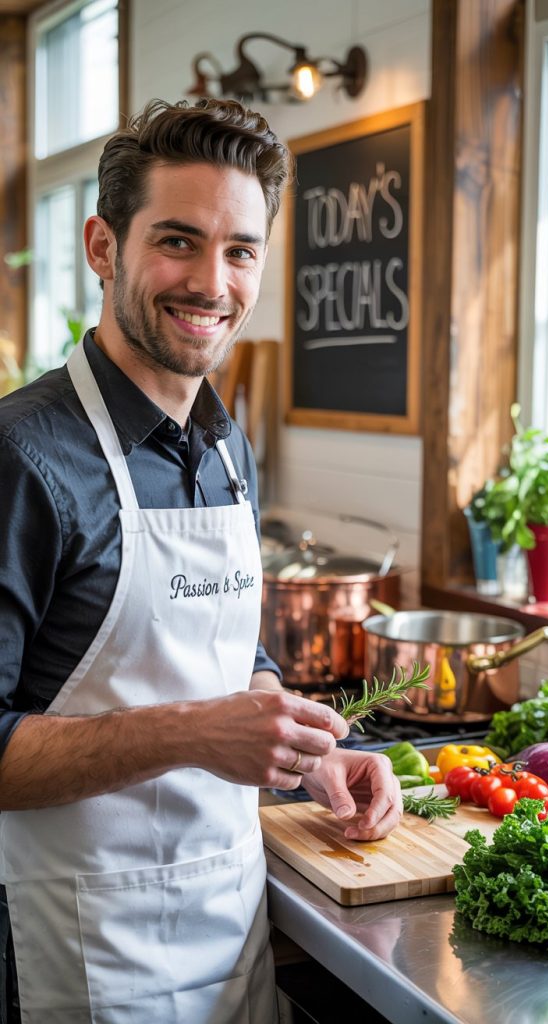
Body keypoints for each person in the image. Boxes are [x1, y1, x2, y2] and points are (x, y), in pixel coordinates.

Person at [0, 97, 402, 1024]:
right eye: (177, 241)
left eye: (241, 249)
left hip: (226, 941)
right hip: (75, 955)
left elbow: (230, 661)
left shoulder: (226, 446)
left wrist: (312, 757)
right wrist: (191, 735)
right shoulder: (24, 458)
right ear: (105, 247)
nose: (212, 282)